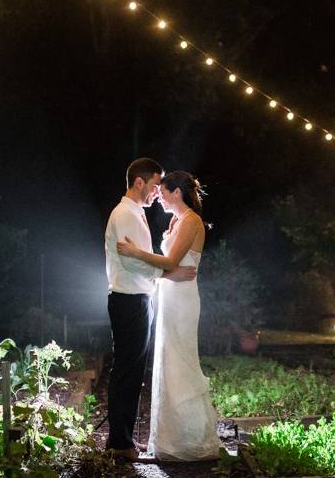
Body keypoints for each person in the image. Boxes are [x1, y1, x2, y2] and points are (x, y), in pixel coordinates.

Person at [117, 170, 221, 461]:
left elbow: (171, 261)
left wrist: (135, 252)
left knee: (181, 362)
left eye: (163, 192)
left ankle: (192, 440)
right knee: (167, 361)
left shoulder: (191, 221)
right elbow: (169, 268)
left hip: (184, 300)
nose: (159, 197)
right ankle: (171, 439)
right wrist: (166, 275)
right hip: (169, 296)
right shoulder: (176, 221)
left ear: (177, 192)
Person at [104, 158, 198, 462]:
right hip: (130, 299)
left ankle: (124, 439)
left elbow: (141, 257)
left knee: (131, 371)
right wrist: (168, 275)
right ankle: (119, 444)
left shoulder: (135, 212)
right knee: (127, 371)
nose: (157, 193)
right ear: (140, 182)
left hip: (137, 298)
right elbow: (132, 261)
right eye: (155, 185)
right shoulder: (126, 214)